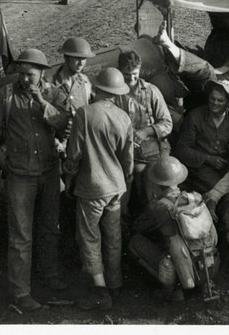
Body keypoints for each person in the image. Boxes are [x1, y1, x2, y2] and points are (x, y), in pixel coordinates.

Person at [0, 48, 65, 312]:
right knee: (21, 235)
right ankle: (20, 291)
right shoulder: (5, 96)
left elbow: (65, 123)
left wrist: (43, 102)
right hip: (20, 176)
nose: (25, 80)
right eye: (21, 74)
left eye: (30, 75)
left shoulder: (53, 92)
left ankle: (48, 273)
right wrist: (4, 164)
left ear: (42, 73)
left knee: (50, 226)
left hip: (50, 171)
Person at [65, 67, 134, 311]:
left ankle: (100, 291)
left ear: (97, 89)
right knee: (113, 237)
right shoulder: (124, 117)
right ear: (116, 93)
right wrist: (123, 180)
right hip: (115, 186)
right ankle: (115, 284)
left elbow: (73, 155)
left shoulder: (85, 114)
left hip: (91, 187)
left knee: (90, 238)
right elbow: (128, 160)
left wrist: (70, 179)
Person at [173, 79, 229, 275]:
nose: (215, 104)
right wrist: (207, 158)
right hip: (201, 170)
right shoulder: (195, 117)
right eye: (212, 99)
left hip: (225, 168)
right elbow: (182, 149)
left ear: (228, 102)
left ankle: (214, 197)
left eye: (220, 100)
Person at [128, 155, 221, 303]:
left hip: (183, 271)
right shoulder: (195, 198)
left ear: (158, 184)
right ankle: (205, 283)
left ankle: (172, 288)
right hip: (210, 266)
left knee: (135, 242)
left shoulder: (160, 206)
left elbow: (139, 226)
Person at [114, 50, 173, 217]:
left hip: (151, 153)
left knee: (153, 197)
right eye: (126, 75)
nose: (131, 79)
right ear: (119, 71)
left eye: (134, 74)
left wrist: (147, 131)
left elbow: (167, 123)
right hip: (123, 154)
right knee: (120, 202)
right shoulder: (114, 94)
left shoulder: (151, 91)